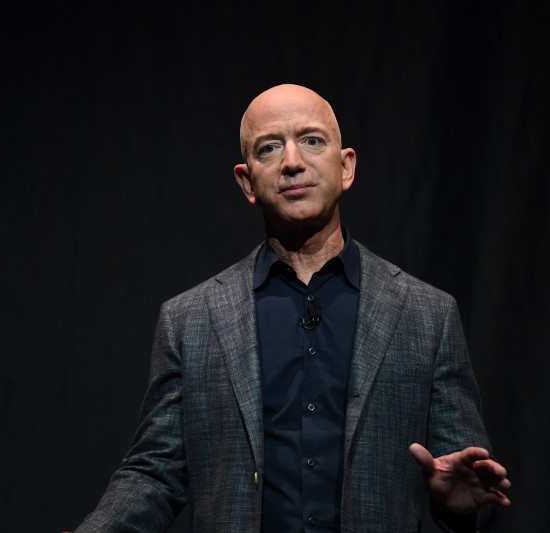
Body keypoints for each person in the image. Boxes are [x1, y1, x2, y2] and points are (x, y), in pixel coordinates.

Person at [73, 84, 510, 532]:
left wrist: (462, 505)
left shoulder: (427, 315)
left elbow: (471, 480)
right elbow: (155, 471)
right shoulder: (190, 320)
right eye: (269, 148)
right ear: (247, 181)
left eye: (312, 140)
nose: (293, 162)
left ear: (346, 167)